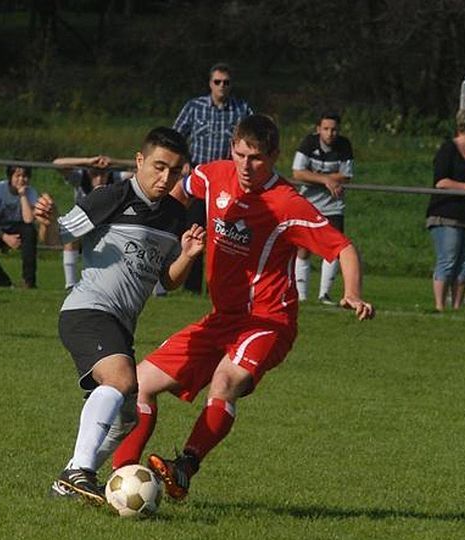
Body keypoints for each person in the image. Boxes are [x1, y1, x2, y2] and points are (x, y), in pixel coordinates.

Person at [110, 115, 375, 501]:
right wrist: (159, 228)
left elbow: (343, 247)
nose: (246, 167)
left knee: (225, 380)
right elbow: (182, 190)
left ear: (275, 156)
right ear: (231, 148)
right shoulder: (214, 175)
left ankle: (185, 465)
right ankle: (120, 477)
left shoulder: (287, 203)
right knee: (137, 385)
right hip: (222, 318)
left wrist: (352, 292)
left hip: (268, 321)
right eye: (240, 155)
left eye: (256, 159)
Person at [33, 127, 206, 504]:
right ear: (139, 161)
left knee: (128, 417)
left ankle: (67, 485)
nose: (165, 179)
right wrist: (45, 222)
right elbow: (57, 239)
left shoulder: (177, 215)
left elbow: (168, 281)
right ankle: (78, 470)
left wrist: (188, 257)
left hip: (120, 325)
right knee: (121, 379)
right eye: (158, 167)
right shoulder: (111, 197)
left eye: (174, 172)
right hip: (87, 310)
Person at [172, 62, 253, 294]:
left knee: (228, 237)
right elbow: (175, 136)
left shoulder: (242, 109)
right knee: (196, 230)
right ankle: (192, 288)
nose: (221, 86)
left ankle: (223, 287)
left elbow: (254, 139)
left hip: (229, 180)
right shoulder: (194, 107)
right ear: (210, 83)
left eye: (226, 82)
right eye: (217, 82)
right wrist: (183, 159)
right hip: (199, 179)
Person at [424, 108, 465, 312]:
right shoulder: (448, 149)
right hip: (447, 213)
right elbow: (441, 182)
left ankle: (457, 307)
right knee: (449, 260)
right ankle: (439, 306)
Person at [292, 112, 355, 304]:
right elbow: (297, 173)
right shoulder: (308, 144)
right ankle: (301, 295)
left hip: (334, 205)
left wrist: (317, 176)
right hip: (308, 203)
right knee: (303, 248)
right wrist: (325, 179)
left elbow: (347, 175)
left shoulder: (344, 146)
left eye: (334, 129)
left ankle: (324, 294)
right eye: (326, 129)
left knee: (334, 247)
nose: (330, 133)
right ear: (318, 129)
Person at [51, 155, 133, 291]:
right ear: (88, 172)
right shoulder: (80, 178)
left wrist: (115, 162)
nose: (99, 179)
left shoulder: (116, 177)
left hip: (109, 225)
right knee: (71, 237)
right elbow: (57, 163)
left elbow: (140, 168)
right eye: (95, 174)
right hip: (84, 223)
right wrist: (87, 161)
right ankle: (70, 284)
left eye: (103, 174)